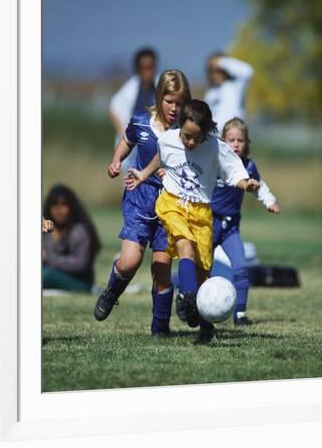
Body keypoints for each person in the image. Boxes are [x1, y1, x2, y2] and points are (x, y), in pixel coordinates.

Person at [126, 100, 259, 343]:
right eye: (186, 136)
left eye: (195, 138)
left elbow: (234, 173)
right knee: (183, 244)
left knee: (203, 271)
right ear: (180, 128)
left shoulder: (215, 148)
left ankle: (206, 328)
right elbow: (161, 156)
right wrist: (143, 174)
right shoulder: (168, 139)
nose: (189, 142)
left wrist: (246, 183)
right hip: (173, 204)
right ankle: (188, 297)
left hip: (201, 212)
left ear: (206, 132)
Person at [94, 70, 192, 337]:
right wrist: (116, 161)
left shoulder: (186, 131)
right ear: (160, 97)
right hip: (139, 195)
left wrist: (174, 173)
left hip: (170, 204)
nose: (174, 108)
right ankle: (112, 291)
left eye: (180, 103)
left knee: (161, 269)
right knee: (129, 261)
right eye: (169, 101)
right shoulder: (140, 121)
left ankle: (160, 328)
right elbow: (127, 141)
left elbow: (193, 163)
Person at [210, 118, 280, 325]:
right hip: (209, 224)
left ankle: (240, 314)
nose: (236, 144)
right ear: (223, 141)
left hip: (231, 227)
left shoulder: (249, 165)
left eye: (240, 140)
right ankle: (198, 308)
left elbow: (259, 186)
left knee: (240, 268)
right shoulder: (215, 162)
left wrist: (269, 201)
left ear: (247, 142)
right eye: (231, 139)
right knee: (202, 268)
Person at [42, 185, 101, 292]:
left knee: (45, 276)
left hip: (80, 282)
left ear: (71, 207)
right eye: (54, 204)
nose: (59, 210)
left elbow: (80, 264)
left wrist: (49, 258)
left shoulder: (79, 231)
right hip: (53, 274)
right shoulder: (46, 228)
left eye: (64, 205)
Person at [109, 48, 159, 170]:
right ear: (138, 69)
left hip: (155, 146)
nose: (147, 71)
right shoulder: (130, 87)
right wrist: (125, 135)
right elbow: (113, 108)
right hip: (133, 148)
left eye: (150, 67)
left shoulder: (160, 85)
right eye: (144, 67)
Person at [204, 53, 254, 136]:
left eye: (218, 70)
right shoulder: (210, 93)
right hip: (215, 139)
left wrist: (221, 62)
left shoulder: (235, 86)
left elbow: (248, 71)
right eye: (212, 71)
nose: (215, 74)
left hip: (233, 137)